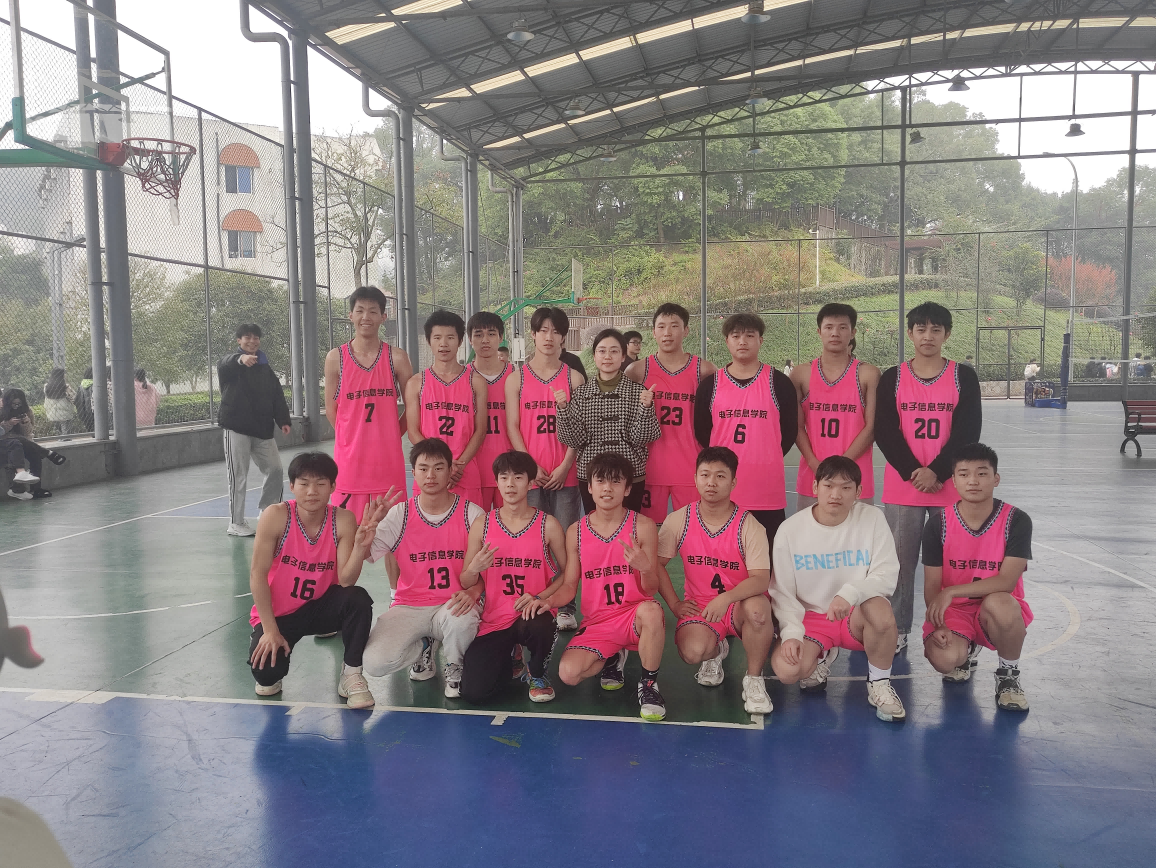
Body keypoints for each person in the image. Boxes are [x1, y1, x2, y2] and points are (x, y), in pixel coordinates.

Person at [876, 302, 981, 653]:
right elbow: (885, 432)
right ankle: (899, 627)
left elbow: (968, 431)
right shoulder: (893, 377)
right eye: (921, 329)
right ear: (910, 333)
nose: (928, 336)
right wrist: (914, 472)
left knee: (953, 566)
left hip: (949, 487)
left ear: (946, 334)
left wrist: (937, 471)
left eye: (936, 329)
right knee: (900, 564)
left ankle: (957, 627)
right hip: (903, 487)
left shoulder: (963, 377)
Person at [769, 456, 906, 722]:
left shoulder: (872, 518)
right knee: (787, 671)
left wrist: (850, 593)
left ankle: (879, 683)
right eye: (829, 486)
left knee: (880, 609)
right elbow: (782, 592)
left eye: (845, 487)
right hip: (811, 619)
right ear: (815, 487)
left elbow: (886, 574)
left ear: (858, 491)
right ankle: (821, 654)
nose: (836, 494)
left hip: (855, 615)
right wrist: (792, 633)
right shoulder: (790, 530)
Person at [247, 452, 389, 709]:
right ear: (292, 486)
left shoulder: (343, 519)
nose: (312, 491)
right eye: (304, 483)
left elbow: (346, 581)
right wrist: (269, 630)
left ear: (332, 486)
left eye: (321, 483)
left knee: (357, 599)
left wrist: (359, 547)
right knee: (266, 676)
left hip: (321, 606)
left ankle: (351, 674)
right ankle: (266, 642)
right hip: (280, 614)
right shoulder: (276, 516)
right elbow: (257, 575)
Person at [362, 438, 484, 699]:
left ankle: (455, 666)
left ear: (451, 471)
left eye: (439, 468)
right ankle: (424, 646)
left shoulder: (472, 514)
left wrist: (475, 592)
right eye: (424, 468)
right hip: (410, 605)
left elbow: (489, 570)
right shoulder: (399, 514)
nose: (431, 475)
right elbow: (366, 555)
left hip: (453, 603)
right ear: (414, 472)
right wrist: (365, 534)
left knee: (463, 621)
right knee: (375, 664)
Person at [656, 446, 775, 715]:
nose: (711, 482)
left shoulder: (749, 525)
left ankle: (754, 679)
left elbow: (760, 580)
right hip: (701, 605)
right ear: (695, 478)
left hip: (740, 603)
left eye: (720, 476)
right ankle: (716, 650)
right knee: (692, 652)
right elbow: (656, 565)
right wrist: (674, 603)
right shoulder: (678, 520)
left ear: (733, 482)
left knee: (759, 611)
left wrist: (726, 598)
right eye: (705, 474)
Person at [555, 453, 667, 721]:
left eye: (616, 482)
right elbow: (569, 585)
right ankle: (612, 654)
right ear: (590, 487)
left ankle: (649, 684)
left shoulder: (642, 526)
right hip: (598, 622)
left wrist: (645, 567)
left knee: (652, 611)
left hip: (633, 615)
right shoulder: (575, 531)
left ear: (627, 489)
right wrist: (545, 601)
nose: (607, 488)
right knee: (569, 674)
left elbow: (651, 589)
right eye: (601, 481)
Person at [922, 443, 1032, 711]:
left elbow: (1007, 581)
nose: (973, 481)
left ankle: (1008, 675)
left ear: (996, 479)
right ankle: (966, 650)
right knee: (944, 659)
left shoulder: (1016, 520)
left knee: (1000, 602)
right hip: (956, 611)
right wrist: (939, 625)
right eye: (964, 474)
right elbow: (932, 585)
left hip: (996, 608)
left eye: (982, 473)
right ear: (954, 480)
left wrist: (951, 591)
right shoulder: (938, 524)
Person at [458, 450, 568, 703]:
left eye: (518, 477)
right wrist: (474, 568)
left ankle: (537, 672)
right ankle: (512, 656)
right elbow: (466, 581)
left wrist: (540, 597)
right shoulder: (482, 525)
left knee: (540, 624)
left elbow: (567, 574)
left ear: (530, 483)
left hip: (532, 613)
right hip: (496, 617)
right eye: (504, 477)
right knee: (475, 693)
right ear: (496, 481)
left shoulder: (548, 525)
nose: (510, 484)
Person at [505, 306, 586, 630]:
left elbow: (579, 429)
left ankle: (566, 605)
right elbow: (513, 427)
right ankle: (534, 599)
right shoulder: (517, 379)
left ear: (563, 337)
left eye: (555, 331)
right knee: (532, 542)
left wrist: (566, 464)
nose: (549, 337)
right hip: (531, 476)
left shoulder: (574, 378)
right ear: (533, 335)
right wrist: (530, 466)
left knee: (566, 542)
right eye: (543, 330)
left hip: (565, 474)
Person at [694, 313, 798, 549]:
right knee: (724, 555)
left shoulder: (779, 383)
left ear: (760, 340)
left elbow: (788, 432)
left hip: (766, 487)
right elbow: (702, 431)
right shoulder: (710, 385)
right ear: (727, 341)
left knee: (767, 556)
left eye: (750, 336)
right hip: (723, 488)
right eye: (736, 336)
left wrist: (765, 455)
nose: (742, 341)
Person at [324, 286, 413, 520]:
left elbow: (413, 407)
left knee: (394, 533)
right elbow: (331, 410)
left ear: (383, 316)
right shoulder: (335, 358)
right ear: (350, 315)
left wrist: (391, 434)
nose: (366, 317)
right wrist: (350, 437)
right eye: (360, 310)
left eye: (373, 311)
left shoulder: (397, 357)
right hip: (350, 465)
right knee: (348, 533)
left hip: (387, 464)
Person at [625, 302, 717, 523]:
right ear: (653, 332)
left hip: (690, 466)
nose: (667, 332)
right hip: (648, 468)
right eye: (661, 326)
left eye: (674, 326)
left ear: (686, 330)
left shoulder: (705, 370)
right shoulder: (637, 370)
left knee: (692, 531)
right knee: (646, 532)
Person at [557, 328, 660, 515]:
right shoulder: (581, 394)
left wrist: (646, 408)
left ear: (623, 356)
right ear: (594, 356)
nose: (607, 356)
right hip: (591, 475)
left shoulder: (639, 392)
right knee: (594, 526)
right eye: (602, 351)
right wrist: (563, 410)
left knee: (629, 526)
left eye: (614, 351)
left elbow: (643, 438)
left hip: (630, 474)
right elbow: (573, 440)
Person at [793, 303, 880, 513]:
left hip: (855, 477)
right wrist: (815, 464)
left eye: (842, 327)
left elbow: (872, 428)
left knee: (859, 534)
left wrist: (840, 466)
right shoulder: (801, 374)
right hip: (814, 476)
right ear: (819, 331)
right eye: (829, 327)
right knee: (811, 533)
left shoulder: (868, 374)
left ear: (853, 332)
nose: (835, 333)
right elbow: (796, 427)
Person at [404, 310, 487, 505]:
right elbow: (413, 431)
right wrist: (439, 465)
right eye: (437, 337)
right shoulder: (416, 383)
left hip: (464, 472)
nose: (443, 343)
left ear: (460, 341)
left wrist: (458, 466)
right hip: (429, 475)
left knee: (470, 524)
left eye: (450, 337)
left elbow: (480, 430)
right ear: (428, 341)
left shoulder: (476, 382)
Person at [217, 324, 292, 537]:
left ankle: (269, 511)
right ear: (239, 341)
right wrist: (240, 359)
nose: (252, 341)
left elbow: (276, 394)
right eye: (247, 337)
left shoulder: (264, 366)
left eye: (256, 337)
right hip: (236, 427)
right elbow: (224, 363)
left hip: (262, 428)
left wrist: (283, 420)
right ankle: (236, 523)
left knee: (275, 469)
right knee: (238, 476)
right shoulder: (231, 364)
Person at [468, 312, 514, 509]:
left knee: (510, 525)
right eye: (478, 334)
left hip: (510, 469)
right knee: (477, 525)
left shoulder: (517, 376)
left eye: (491, 334)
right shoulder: (463, 377)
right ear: (470, 340)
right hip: (474, 470)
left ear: (501, 337)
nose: (485, 340)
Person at [1, 389, 64, 500]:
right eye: (14, 404)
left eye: (19, 404)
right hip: (6, 444)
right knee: (15, 445)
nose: (16, 406)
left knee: (35, 455)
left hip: (23, 443)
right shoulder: (1, 411)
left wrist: (25, 423)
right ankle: (47, 453)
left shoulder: (27, 411)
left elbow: (28, 434)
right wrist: (8, 423)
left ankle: (36, 489)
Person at [42, 368, 76, 436]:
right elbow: (73, 397)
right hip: (65, 412)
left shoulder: (47, 387)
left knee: (58, 429)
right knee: (66, 430)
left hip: (53, 413)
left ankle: (60, 439)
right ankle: (66, 439)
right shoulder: (65, 387)